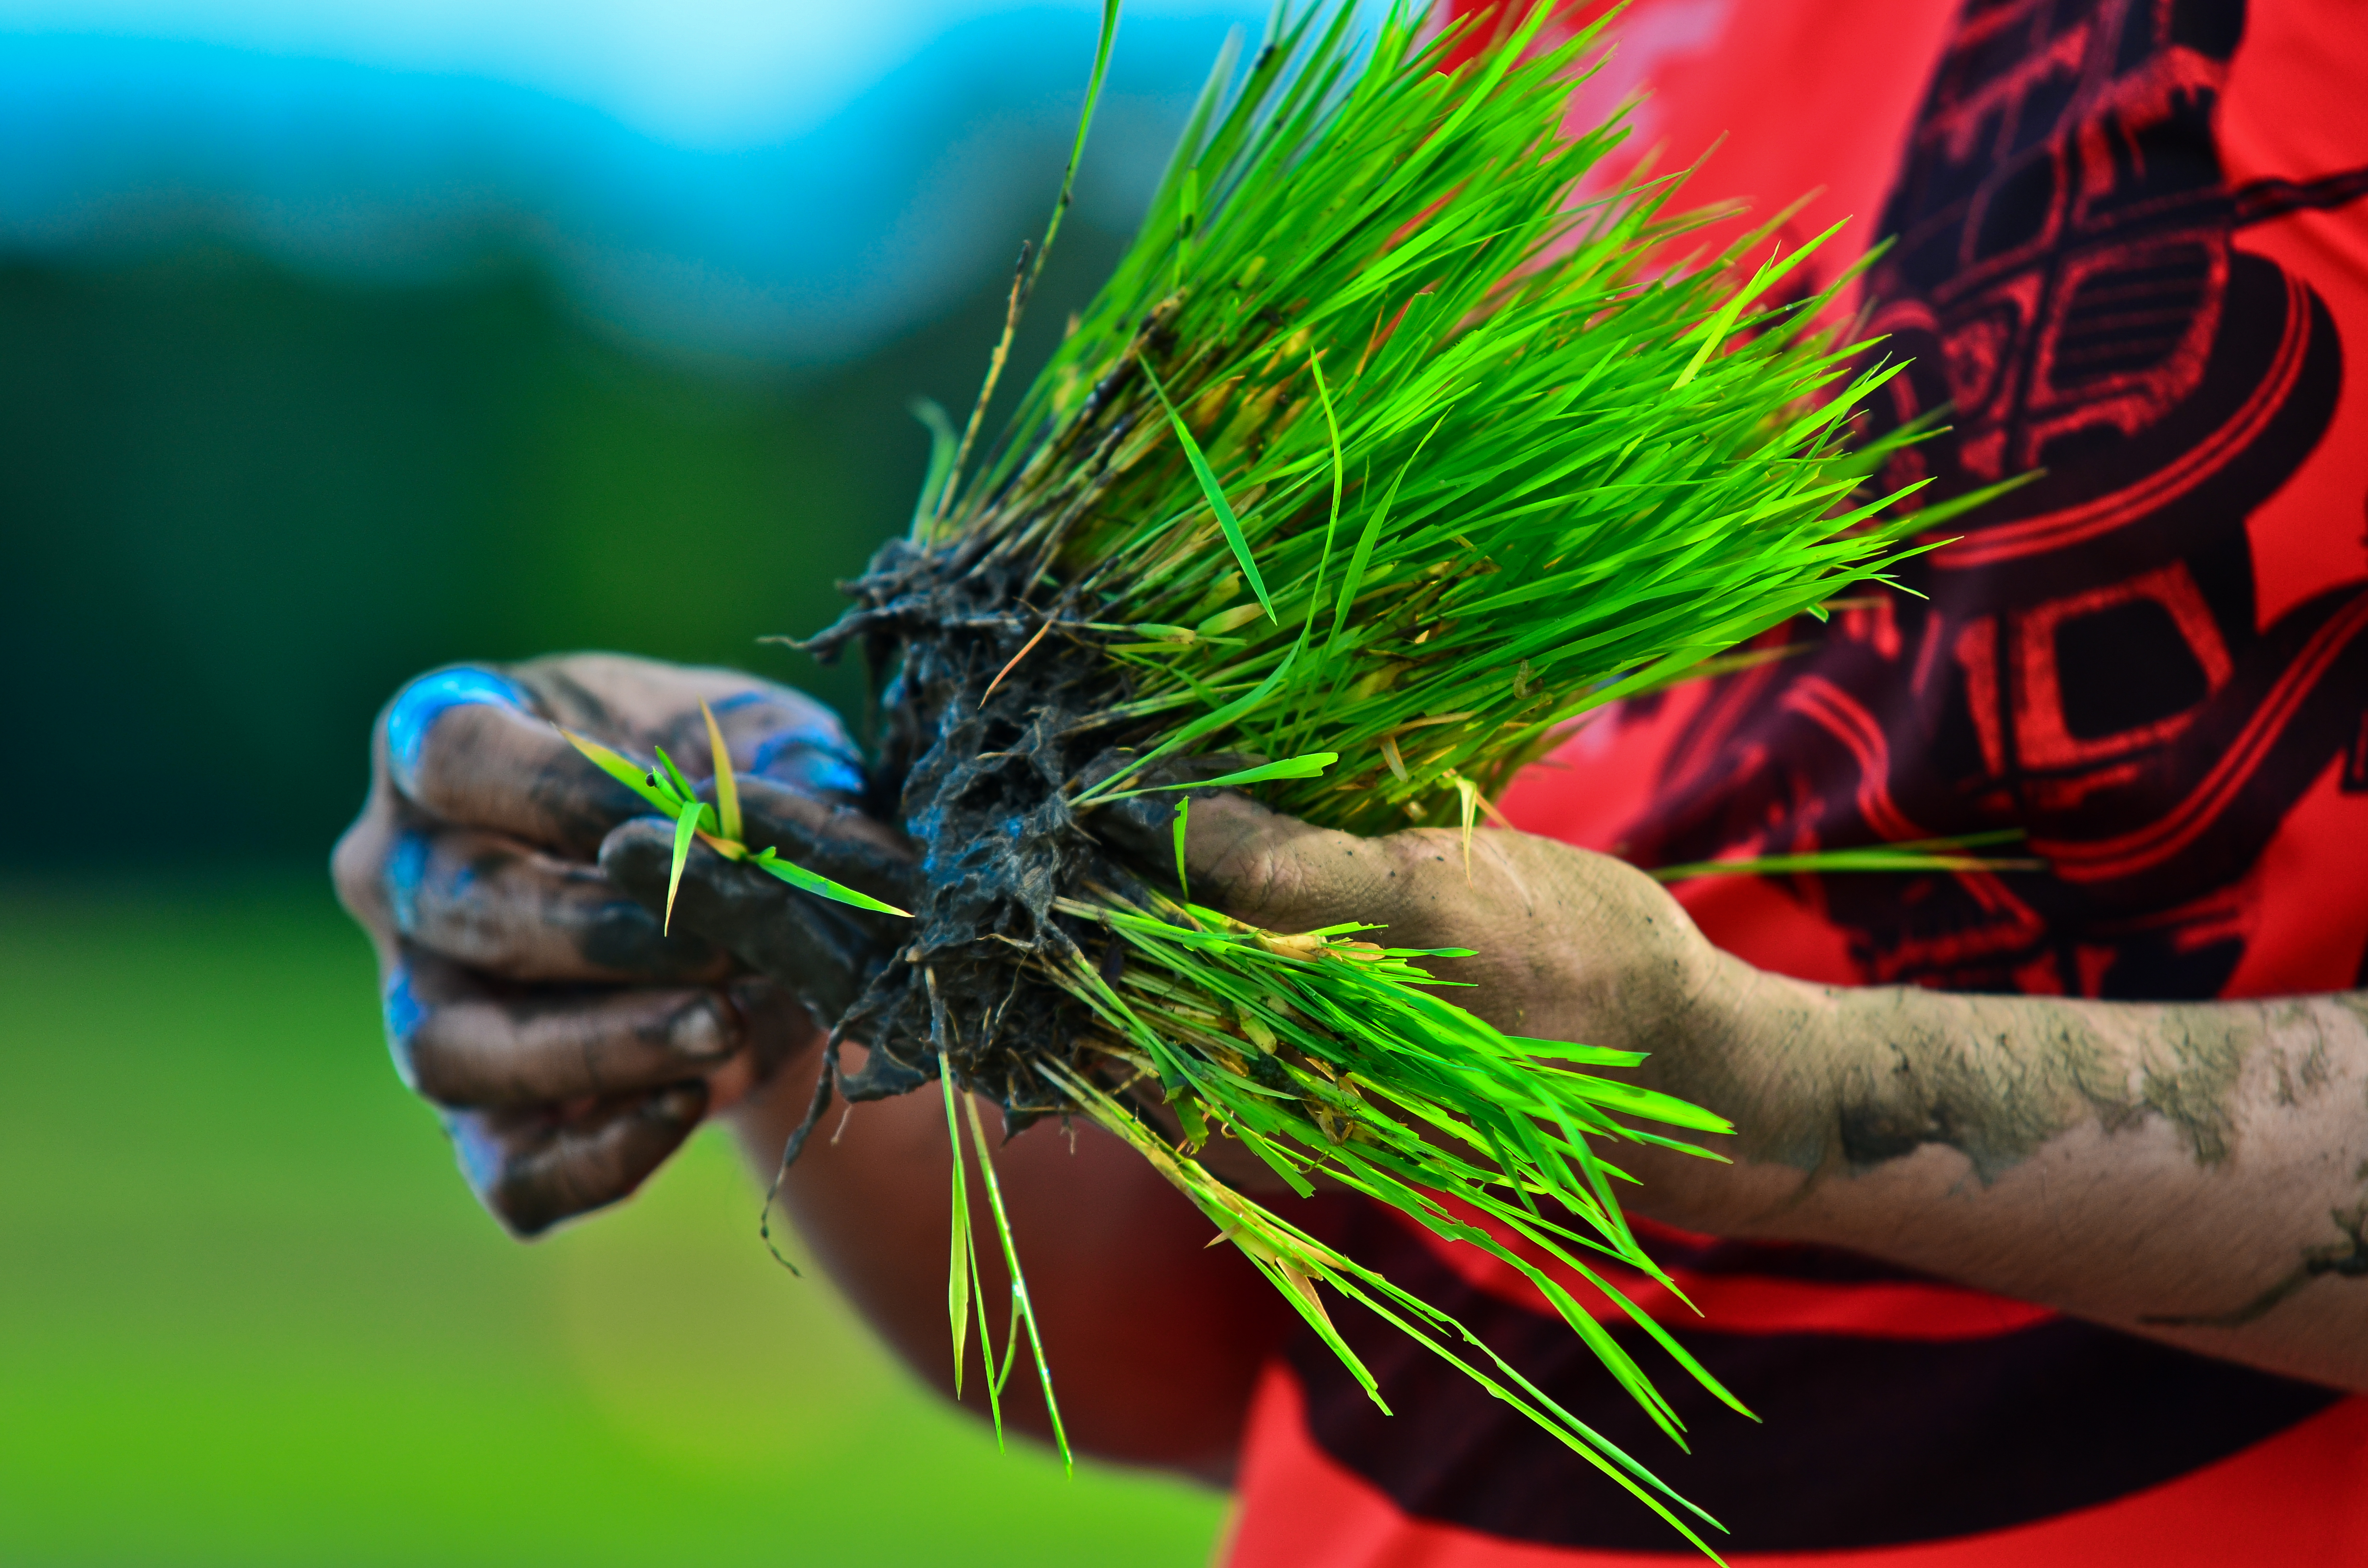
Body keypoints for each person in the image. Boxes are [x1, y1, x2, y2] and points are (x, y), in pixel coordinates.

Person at [332, 0, 2368, 1560]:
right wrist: (803, 939)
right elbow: (1188, 1332)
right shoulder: (1521, 53)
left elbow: (1692, 1084)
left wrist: (1768, 1098)